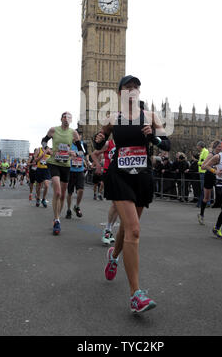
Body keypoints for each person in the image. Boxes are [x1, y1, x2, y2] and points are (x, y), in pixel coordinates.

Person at [93, 75, 170, 313]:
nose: (132, 91)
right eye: (127, 88)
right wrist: (98, 140)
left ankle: (114, 256)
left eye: (135, 88)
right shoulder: (113, 118)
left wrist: (153, 137)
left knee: (128, 228)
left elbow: (166, 144)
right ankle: (136, 295)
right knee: (134, 229)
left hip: (142, 176)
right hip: (120, 175)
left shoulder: (151, 117)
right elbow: (98, 143)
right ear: (120, 94)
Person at [41, 111, 80, 235]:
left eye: (69, 117)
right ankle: (57, 220)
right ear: (61, 119)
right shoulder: (54, 130)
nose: (66, 119)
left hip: (66, 165)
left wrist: (75, 153)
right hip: (54, 163)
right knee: (57, 192)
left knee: (63, 195)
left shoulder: (73, 133)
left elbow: (81, 149)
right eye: (64, 117)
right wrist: (47, 149)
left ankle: (56, 216)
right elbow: (43, 141)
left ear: (71, 120)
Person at [91, 138, 118, 245]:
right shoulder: (108, 143)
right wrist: (98, 165)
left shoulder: (125, 142)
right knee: (116, 202)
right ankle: (107, 230)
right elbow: (94, 154)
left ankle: (109, 230)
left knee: (118, 204)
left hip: (122, 173)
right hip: (110, 173)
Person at [197, 140, 222, 225]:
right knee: (206, 198)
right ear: (215, 147)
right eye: (219, 146)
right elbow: (203, 166)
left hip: (218, 177)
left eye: (221, 146)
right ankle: (201, 214)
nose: (221, 148)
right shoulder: (211, 155)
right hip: (209, 176)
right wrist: (213, 169)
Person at [66, 130, 88, 219]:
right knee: (70, 192)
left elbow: (86, 155)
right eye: (76, 135)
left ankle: (77, 206)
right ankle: (68, 209)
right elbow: (65, 156)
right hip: (70, 171)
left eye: (79, 135)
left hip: (80, 170)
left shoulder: (83, 145)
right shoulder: (69, 145)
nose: (78, 137)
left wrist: (88, 162)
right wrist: (71, 156)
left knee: (81, 190)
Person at [197, 141, 209, 207]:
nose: (197, 147)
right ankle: (204, 202)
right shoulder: (202, 152)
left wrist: (199, 163)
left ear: (200, 146)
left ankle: (206, 202)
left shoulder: (205, 151)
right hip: (201, 172)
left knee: (204, 188)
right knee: (203, 188)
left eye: (197, 146)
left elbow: (205, 161)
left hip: (204, 172)